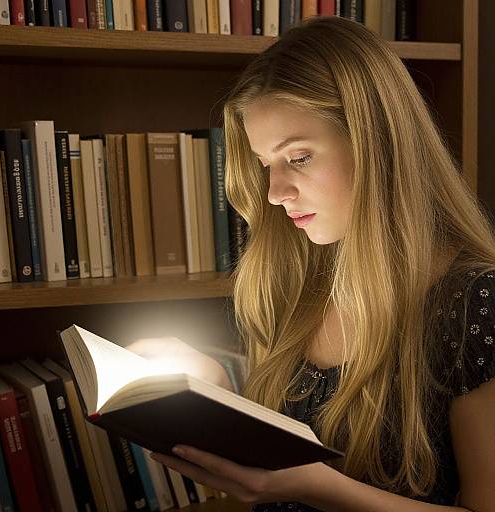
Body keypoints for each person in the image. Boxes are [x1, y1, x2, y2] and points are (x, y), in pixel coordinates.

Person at [145, 16, 495, 511]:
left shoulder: (475, 303)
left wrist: (317, 489)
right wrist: (217, 397)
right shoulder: (298, 280)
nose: (274, 193)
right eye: (267, 165)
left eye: (300, 157)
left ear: (376, 144)